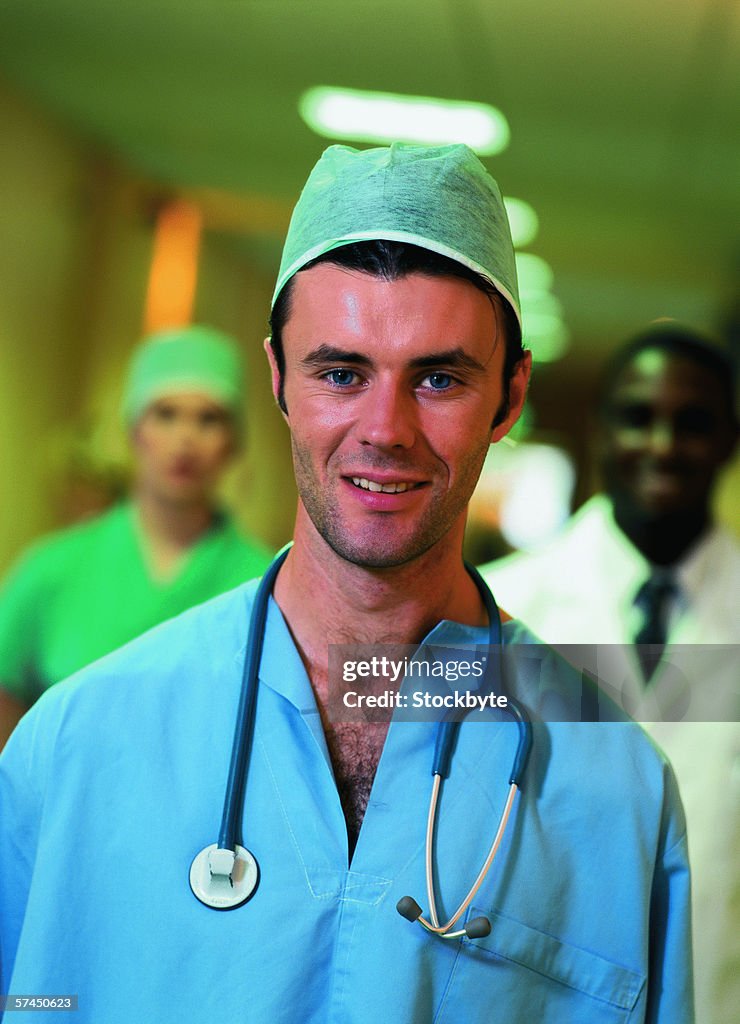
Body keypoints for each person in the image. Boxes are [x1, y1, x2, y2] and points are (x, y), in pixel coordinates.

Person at [0, 145, 692, 1022]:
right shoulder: (78, 746)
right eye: (340, 373)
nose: (385, 429)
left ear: (511, 394)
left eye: (439, 378)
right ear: (280, 377)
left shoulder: (616, 792)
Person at [483, 322, 738, 1024]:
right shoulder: (501, 612)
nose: (662, 445)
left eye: (693, 423)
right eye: (637, 417)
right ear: (598, 430)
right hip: (532, 1000)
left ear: (728, 440)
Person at [0, 324, 272, 746]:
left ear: (232, 442)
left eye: (208, 419)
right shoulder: (52, 569)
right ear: (133, 429)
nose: (185, 439)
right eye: (165, 414)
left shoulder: (265, 586)